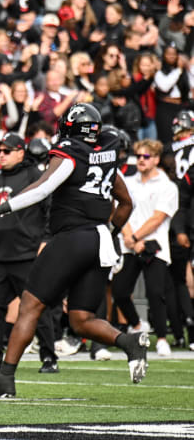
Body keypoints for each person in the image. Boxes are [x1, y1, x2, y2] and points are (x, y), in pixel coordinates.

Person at [0, 103, 148, 398]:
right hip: (99, 240)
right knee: (81, 319)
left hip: (72, 238)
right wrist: (111, 232)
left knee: (30, 305)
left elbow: (43, 188)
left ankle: (4, 379)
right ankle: (128, 342)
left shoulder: (71, 153)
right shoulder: (105, 157)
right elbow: (126, 203)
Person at [0, 132, 57, 374]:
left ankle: (49, 357)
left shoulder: (36, 178)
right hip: (0, 254)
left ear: (21, 152)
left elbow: (51, 211)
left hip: (28, 254)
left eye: (7, 151)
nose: (1, 155)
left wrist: (46, 240)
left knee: (37, 307)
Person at [112, 139, 178, 357]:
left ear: (156, 159)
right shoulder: (128, 182)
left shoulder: (167, 186)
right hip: (130, 245)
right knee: (120, 291)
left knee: (155, 293)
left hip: (154, 246)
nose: (140, 159)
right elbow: (120, 210)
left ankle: (161, 339)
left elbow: (158, 218)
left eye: (146, 156)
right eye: (138, 155)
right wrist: (129, 237)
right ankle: (138, 326)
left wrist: (137, 237)